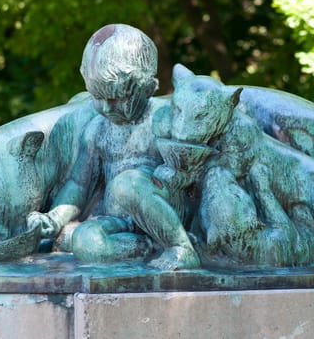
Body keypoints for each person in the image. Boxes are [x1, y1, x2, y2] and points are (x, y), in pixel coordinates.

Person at [26, 24, 200, 270]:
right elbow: (79, 184)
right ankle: (145, 249)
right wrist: (54, 219)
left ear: (149, 88)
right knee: (85, 241)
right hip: (120, 223)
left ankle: (181, 248)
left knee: (126, 184)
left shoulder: (164, 121)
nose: (107, 108)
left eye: (118, 98)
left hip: (167, 213)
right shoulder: (97, 130)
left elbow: (192, 177)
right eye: (98, 98)